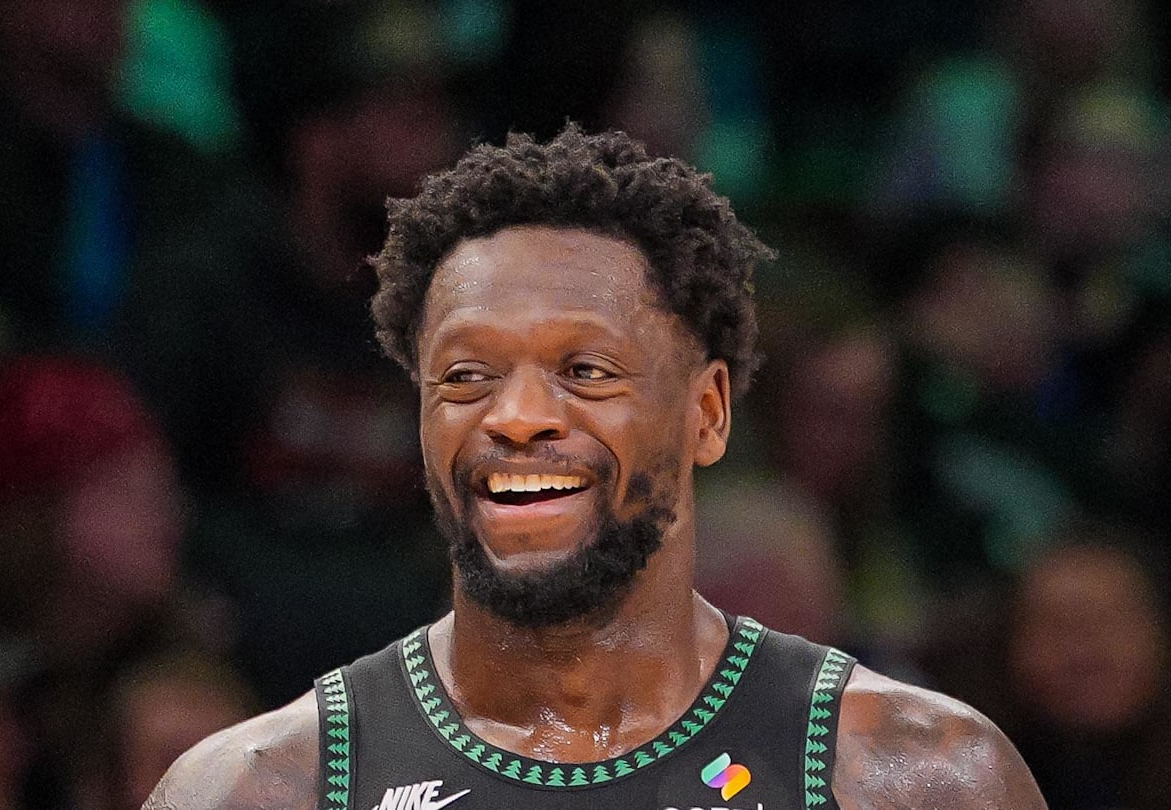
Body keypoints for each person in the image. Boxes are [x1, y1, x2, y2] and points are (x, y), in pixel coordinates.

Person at [144, 125, 1046, 809]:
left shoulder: (916, 778)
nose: (520, 418)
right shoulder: (260, 790)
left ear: (708, 414)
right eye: (466, 375)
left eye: (587, 371)